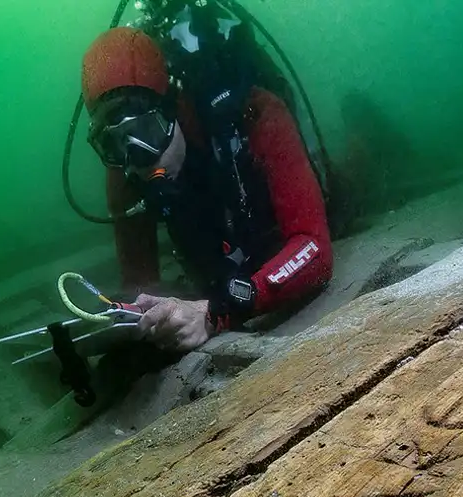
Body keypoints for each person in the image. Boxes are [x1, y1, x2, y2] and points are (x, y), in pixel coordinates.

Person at [80, 26, 333, 353]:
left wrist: (218, 312)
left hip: (277, 235)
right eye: (112, 143)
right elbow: (140, 285)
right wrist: (131, 317)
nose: (137, 159)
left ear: (172, 107)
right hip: (225, 263)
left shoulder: (254, 112)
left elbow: (314, 247)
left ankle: (364, 138)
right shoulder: (123, 171)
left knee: (342, 201)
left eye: (146, 131)